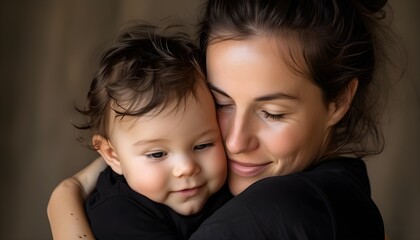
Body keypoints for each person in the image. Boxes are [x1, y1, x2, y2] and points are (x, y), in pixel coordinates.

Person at [48, 0, 397, 239]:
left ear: (338, 100)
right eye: (221, 103)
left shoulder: (272, 213)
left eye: (272, 113)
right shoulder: (344, 192)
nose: (233, 142)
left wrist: (66, 197)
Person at [57, 22, 230, 240]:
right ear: (113, 156)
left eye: (203, 145)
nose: (186, 168)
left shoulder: (230, 182)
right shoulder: (120, 213)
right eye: (157, 154)